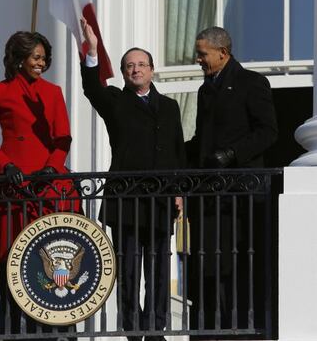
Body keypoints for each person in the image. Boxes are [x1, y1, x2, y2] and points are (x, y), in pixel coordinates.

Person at [0, 31, 79, 339]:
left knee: (53, 261)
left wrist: (51, 168)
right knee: (11, 267)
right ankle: (11, 331)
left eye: (44, 57)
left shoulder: (53, 93)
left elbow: (63, 137)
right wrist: (6, 164)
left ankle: (57, 328)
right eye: (36, 57)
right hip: (11, 186)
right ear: (19, 59)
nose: (41, 62)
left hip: (49, 186)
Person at [80, 18, 187, 341]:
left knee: (158, 267)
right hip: (127, 197)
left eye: (141, 65)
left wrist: (180, 192)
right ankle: (132, 329)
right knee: (128, 269)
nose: (135, 70)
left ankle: (156, 328)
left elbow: (177, 151)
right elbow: (91, 88)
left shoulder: (168, 107)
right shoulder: (115, 101)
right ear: (125, 72)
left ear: (152, 70)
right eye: (129, 66)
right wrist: (93, 51)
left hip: (161, 195)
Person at [186, 26, 278, 332]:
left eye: (202, 53)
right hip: (209, 196)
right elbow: (201, 140)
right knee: (208, 266)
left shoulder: (252, 83)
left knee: (241, 266)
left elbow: (268, 131)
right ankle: (210, 330)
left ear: (222, 53)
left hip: (242, 195)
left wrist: (231, 154)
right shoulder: (205, 90)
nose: (197, 59)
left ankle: (243, 329)